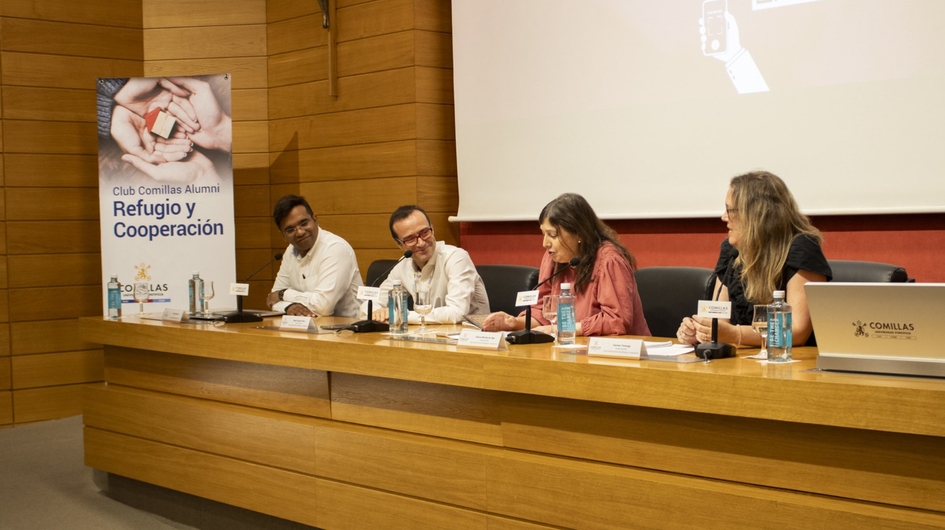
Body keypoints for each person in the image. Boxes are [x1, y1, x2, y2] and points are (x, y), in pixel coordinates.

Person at [677, 171, 832, 347]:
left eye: (729, 210)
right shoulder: (731, 250)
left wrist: (736, 334)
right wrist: (700, 331)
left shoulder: (801, 248)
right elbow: (718, 321)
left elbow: (797, 332)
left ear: (756, 214)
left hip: (789, 363)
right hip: (742, 361)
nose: (723, 217)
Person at [482, 193, 650, 337]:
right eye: (543, 234)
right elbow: (542, 312)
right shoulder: (553, 259)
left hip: (619, 354)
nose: (545, 243)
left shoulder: (608, 261)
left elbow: (617, 321)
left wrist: (559, 329)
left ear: (578, 233)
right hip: (571, 349)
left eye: (552, 235)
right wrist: (513, 323)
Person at [369, 205, 489, 324]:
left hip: (471, 335)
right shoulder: (403, 264)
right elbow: (373, 301)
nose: (421, 243)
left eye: (425, 232)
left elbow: (456, 312)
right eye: (410, 239)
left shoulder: (456, 257)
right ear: (399, 244)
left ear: (432, 229)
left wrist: (403, 315)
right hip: (431, 335)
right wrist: (377, 312)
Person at [267, 195, 363, 318]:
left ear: (315, 219)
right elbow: (272, 300)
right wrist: (288, 307)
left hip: (348, 330)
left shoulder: (334, 248)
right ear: (283, 235)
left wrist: (283, 295)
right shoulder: (290, 251)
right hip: (309, 327)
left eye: (304, 223)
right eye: (290, 229)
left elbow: (323, 307)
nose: (300, 232)